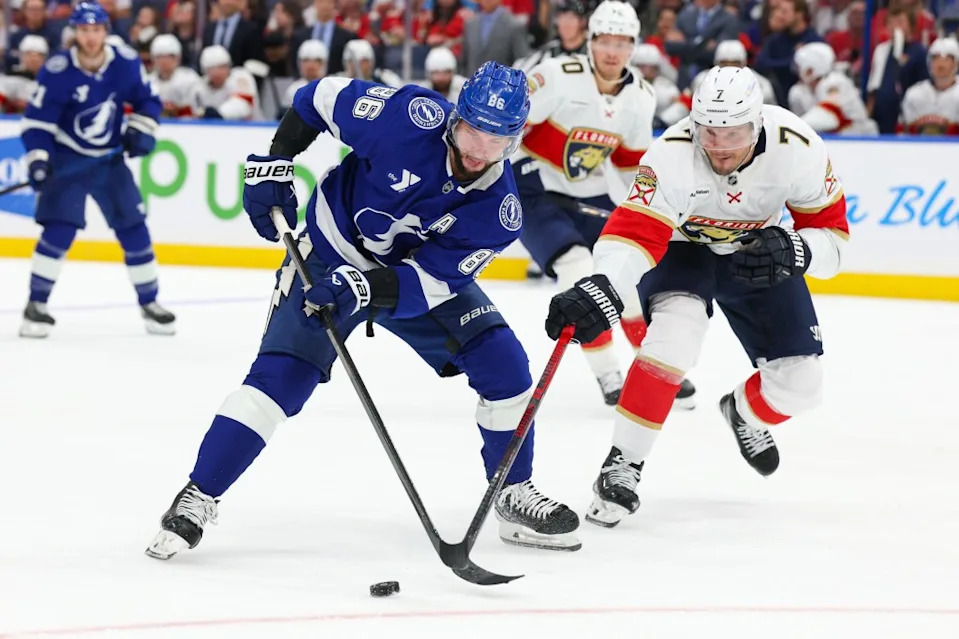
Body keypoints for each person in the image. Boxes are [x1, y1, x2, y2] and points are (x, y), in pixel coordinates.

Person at [144, 62, 582, 561]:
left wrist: (363, 287)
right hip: (328, 254)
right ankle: (199, 494)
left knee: (505, 365)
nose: (479, 150)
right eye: (473, 130)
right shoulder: (408, 117)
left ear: (516, 139)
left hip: (406, 282)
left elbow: (433, 281)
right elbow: (317, 98)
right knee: (278, 382)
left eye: (497, 139)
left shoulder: (500, 210)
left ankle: (512, 491)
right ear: (455, 116)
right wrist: (277, 161)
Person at [544, 67, 849, 527]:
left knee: (802, 385)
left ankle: (743, 412)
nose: (721, 147)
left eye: (735, 133)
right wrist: (602, 286)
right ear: (694, 123)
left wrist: (796, 249)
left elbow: (835, 240)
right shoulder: (671, 154)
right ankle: (623, 463)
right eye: (709, 132)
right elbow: (632, 235)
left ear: (759, 124)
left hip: (759, 251)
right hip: (683, 249)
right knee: (674, 337)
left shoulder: (799, 147)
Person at [512, 1, 695, 408]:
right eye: (605, 41)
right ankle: (608, 374)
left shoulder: (641, 97)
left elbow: (631, 166)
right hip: (534, 190)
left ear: (634, 46)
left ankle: (653, 368)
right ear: (590, 42)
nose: (612, 51)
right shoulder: (557, 76)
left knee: (623, 277)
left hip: (588, 193)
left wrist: (653, 208)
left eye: (622, 42)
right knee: (577, 268)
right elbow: (508, 124)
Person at [19, 2, 174, 338]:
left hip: (109, 162)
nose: (90, 37)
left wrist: (142, 129)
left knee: (134, 229)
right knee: (59, 231)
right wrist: (40, 159)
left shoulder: (126, 63)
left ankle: (150, 303)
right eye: (84, 30)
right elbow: (36, 123)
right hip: (68, 161)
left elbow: (149, 99)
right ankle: (36, 305)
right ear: (74, 32)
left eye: (96, 30)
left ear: (106, 31)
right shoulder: (57, 70)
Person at [789, 42, 878, 134]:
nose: (798, 72)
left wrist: (793, 126)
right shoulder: (803, 91)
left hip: (862, 141)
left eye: (800, 67)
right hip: (843, 141)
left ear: (811, 70)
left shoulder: (835, 82)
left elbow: (828, 117)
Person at [687, 39, 777, 105]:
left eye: (735, 63)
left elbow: (770, 112)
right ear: (716, 63)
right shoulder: (702, 80)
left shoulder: (759, 83)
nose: (729, 68)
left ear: (743, 63)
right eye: (724, 63)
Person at [900, 37, 959, 135]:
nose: (940, 64)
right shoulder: (914, 94)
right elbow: (904, 132)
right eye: (936, 58)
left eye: (946, 59)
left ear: (956, 63)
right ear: (929, 62)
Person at [517, 0, 589, 71]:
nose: (566, 24)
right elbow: (522, 69)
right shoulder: (548, 51)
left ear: (582, 22)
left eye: (571, 18)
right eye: (561, 17)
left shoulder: (591, 51)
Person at [196, 45, 262, 120]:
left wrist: (219, 114)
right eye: (212, 68)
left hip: (251, 129)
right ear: (205, 71)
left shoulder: (241, 77)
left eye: (222, 67)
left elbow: (243, 105)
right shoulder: (200, 87)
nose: (217, 72)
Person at [147, 34, 203, 118]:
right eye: (160, 57)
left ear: (178, 58)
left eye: (169, 56)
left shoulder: (190, 78)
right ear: (153, 59)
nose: (164, 61)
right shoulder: (148, 81)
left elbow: (197, 108)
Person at [0, 35, 48, 114]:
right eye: (29, 54)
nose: (33, 59)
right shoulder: (10, 77)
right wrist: (9, 103)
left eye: (38, 55)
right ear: (21, 56)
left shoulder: (50, 80)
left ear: (44, 58)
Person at [282, 39, 329, 109]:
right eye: (306, 60)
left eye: (317, 60)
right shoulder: (293, 90)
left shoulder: (330, 87)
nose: (311, 65)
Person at [337, 38, 402, 87]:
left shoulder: (386, 79)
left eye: (363, 61)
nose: (353, 66)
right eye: (350, 61)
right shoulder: (338, 82)